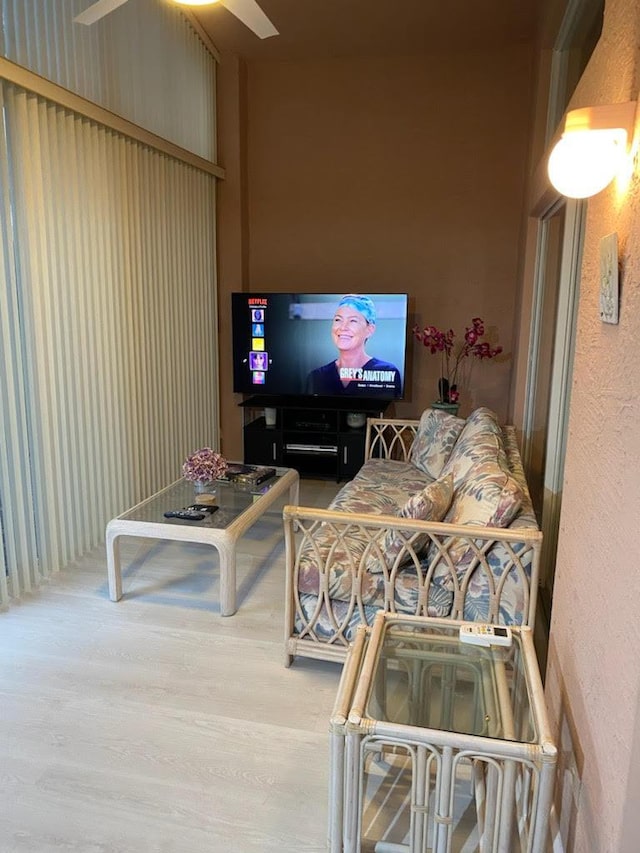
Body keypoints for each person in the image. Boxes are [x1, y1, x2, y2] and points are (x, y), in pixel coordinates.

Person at [306, 294, 401, 396]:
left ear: (370, 330)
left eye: (353, 321)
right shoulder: (316, 377)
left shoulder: (387, 372)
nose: (343, 327)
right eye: (338, 320)